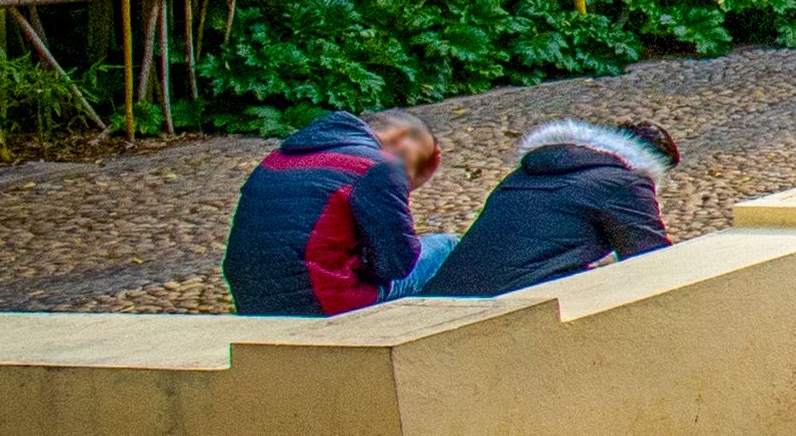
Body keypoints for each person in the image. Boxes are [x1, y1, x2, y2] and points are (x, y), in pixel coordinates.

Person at [223, 110, 451, 314]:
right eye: (420, 159)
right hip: (324, 302)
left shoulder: (276, 160)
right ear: (400, 137)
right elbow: (398, 264)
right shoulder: (377, 165)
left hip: (253, 304)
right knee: (446, 246)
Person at [431, 119, 682, 299]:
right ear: (656, 165)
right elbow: (651, 261)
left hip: (448, 296)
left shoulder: (527, 171)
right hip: (513, 303)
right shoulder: (625, 182)